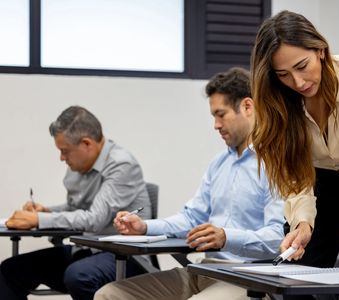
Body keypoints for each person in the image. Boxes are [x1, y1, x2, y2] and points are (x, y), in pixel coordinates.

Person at [94, 67, 285, 300]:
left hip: (249, 277)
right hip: (204, 269)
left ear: (247, 107)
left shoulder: (276, 164)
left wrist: (226, 237)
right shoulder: (219, 164)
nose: (216, 124)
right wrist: (144, 227)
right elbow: (191, 218)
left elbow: (278, 238)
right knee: (110, 295)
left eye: (220, 114)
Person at [250, 10, 339, 268]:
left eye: (302, 66)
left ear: (320, 50)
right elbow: (294, 175)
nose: (298, 82)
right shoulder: (276, 103)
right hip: (317, 182)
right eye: (283, 74)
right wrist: (302, 223)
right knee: (298, 274)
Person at [0, 105, 151, 300]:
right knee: (10, 270)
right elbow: (74, 209)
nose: (62, 158)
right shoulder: (79, 166)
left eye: (65, 151)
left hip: (124, 255)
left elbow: (94, 219)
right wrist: (46, 212)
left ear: (86, 143)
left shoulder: (122, 165)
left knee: (79, 277)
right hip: (86, 250)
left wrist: (39, 219)